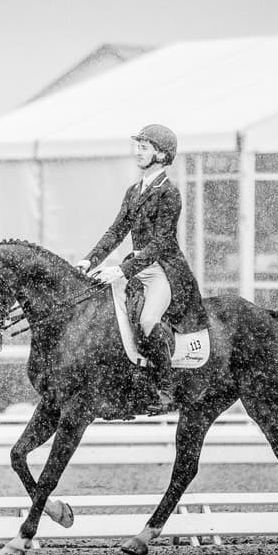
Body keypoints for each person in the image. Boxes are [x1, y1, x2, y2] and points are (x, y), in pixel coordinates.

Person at [74, 123, 207, 414]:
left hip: (161, 269)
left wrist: (121, 271)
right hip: (135, 266)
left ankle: (166, 389)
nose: (138, 151)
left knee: (148, 321)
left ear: (161, 155)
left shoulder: (168, 194)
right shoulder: (134, 190)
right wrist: (90, 260)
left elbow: (160, 243)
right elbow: (116, 231)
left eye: (144, 147)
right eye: (137, 146)